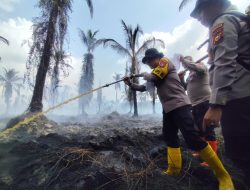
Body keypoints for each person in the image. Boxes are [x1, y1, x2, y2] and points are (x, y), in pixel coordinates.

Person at [124, 48, 234, 190]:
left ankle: (223, 175)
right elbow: (143, 87)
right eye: (147, 62)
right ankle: (174, 169)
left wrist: (146, 74)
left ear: (157, 57)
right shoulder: (155, 73)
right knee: (170, 137)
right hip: (168, 109)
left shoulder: (165, 63)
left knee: (193, 138)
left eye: (150, 60)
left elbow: (155, 77)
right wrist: (130, 84)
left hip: (180, 105)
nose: (149, 64)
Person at [190, 0, 250, 188]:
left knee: (241, 153)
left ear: (212, 5)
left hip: (238, 99)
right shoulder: (238, 19)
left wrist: (216, 105)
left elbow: (225, 63)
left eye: (199, 12)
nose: (199, 18)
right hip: (241, 97)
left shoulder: (222, 22)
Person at [179, 56, 217, 167]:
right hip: (194, 105)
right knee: (198, 130)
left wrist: (184, 61)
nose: (185, 66)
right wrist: (181, 78)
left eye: (187, 63)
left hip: (205, 102)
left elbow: (197, 68)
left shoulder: (201, 67)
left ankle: (212, 158)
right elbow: (185, 88)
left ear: (191, 62)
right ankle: (202, 152)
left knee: (208, 130)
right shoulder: (190, 74)